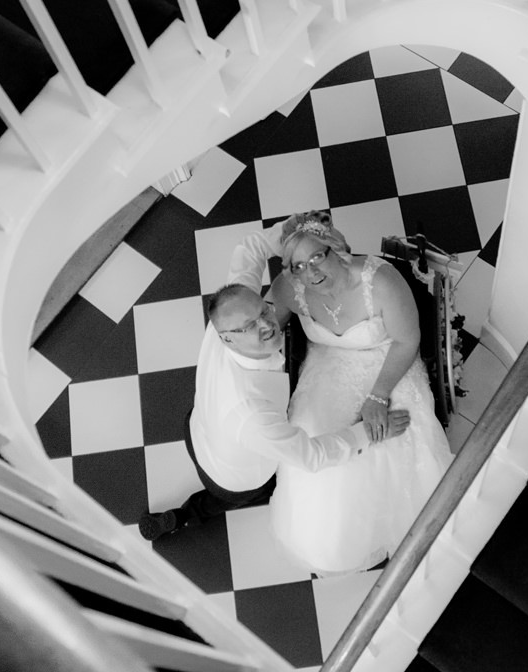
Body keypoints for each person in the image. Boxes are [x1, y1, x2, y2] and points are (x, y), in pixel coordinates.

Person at [138, 216, 410, 542]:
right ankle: (183, 517)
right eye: (250, 327)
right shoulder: (251, 413)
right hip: (233, 473)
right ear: (227, 338)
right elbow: (311, 457)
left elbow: (248, 249)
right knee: (251, 492)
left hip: (197, 427)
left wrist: (288, 230)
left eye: (264, 311)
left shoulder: (231, 311)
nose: (267, 324)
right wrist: (366, 433)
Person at [266, 213, 453, 574]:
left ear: (335, 248)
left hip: (388, 364)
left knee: (389, 449)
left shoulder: (380, 282)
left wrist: (377, 398)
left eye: (317, 257)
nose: (310, 273)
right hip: (328, 369)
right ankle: (333, 543)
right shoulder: (291, 288)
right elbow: (268, 325)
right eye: (298, 266)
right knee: (316, 451)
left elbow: (407, 340)